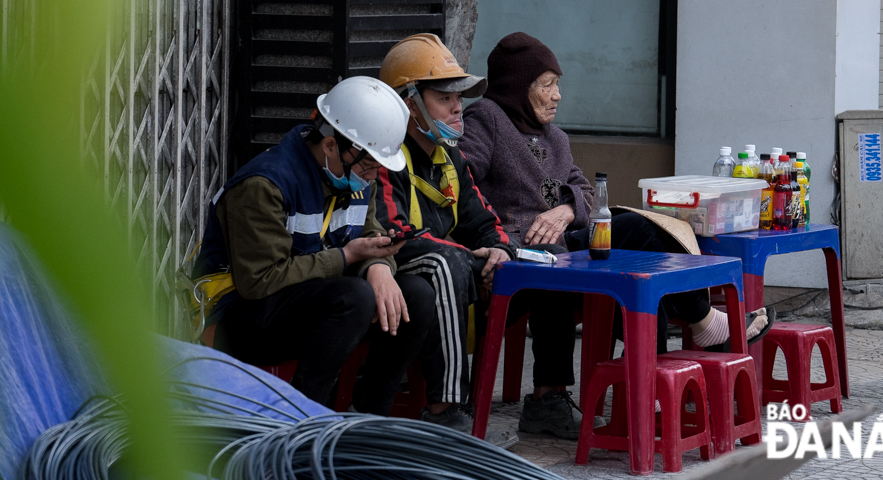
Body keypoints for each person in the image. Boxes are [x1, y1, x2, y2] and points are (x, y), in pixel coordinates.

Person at [459, 32, 774, 437]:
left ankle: (662, 367)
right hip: (517, 252)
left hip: (559, 244)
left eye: (558, 84)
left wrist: (567, 208)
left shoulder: (555, 137)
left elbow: (586, 191)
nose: (557, 96)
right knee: (558, 260)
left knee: (640, 233)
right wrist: (499, 233)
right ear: (519, 87)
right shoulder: (486, 118)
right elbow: (461, 179)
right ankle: (549, 399)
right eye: (547, 85)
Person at [192, 77, 435, 416]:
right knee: (354, 297)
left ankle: (369, 418)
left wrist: (378, 266)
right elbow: (259, 281)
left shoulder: (358, 175)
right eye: (367, 165)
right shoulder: (264, 184)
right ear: (331, 146)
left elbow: (370, 232)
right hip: (238, 317)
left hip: (309, 302)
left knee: (416, 295)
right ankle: (304, 419)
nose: (371, 176)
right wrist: (347, 257)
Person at [373, 33, 520, 449]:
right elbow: (395, 233)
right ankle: (445, 411)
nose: (458, 108)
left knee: (519, 266)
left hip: (449, 264)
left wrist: (499, 250)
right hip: (392, 265)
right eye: (444, 98)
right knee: (445, 265)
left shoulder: (449, 156)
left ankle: (546, 398)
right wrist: (474, 260)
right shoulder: (384, 155)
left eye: (459, 98)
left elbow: (483, 220)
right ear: (409, 103)